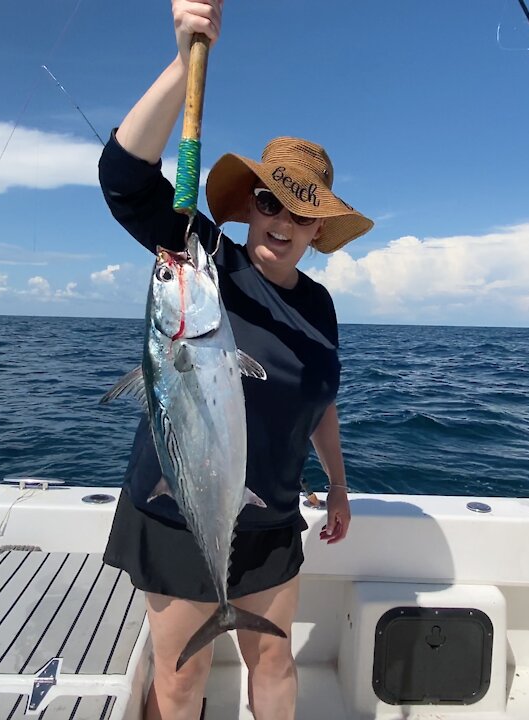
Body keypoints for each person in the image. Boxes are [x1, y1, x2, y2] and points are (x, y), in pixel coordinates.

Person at [97, 2, 373, 718]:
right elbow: (126, 177)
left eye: (302, 212)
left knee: (276, 661)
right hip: (178, 509)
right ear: (247, 206)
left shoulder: (318, 306)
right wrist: (186, 49)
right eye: (268, 200)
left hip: (272, 515)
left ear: (319, 227)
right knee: (180, 677)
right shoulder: (200, 256)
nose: (282, 221)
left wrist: (338, 486)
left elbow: (322, 402)